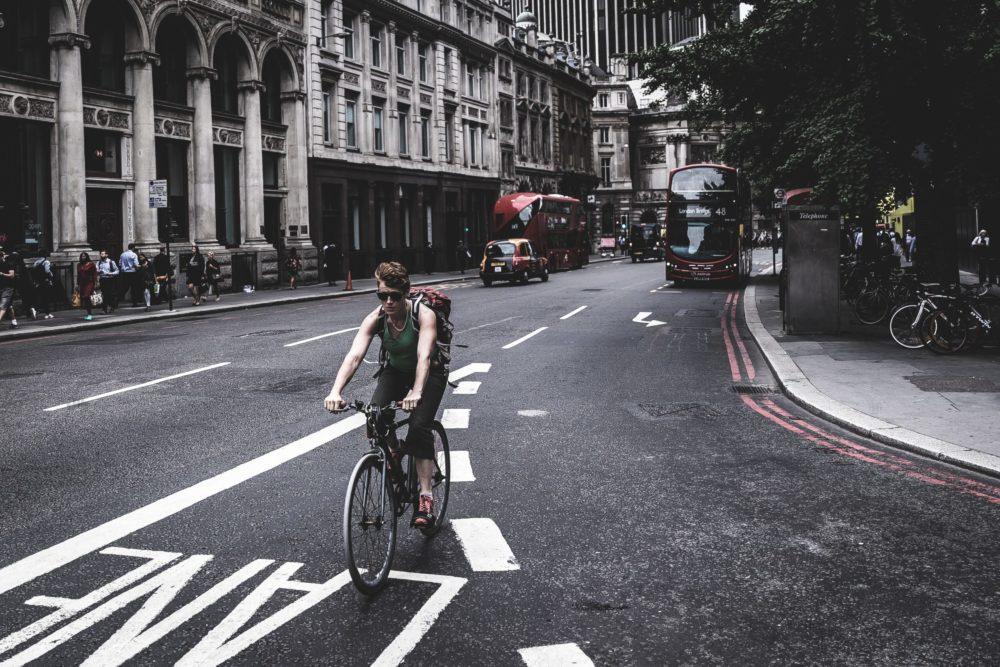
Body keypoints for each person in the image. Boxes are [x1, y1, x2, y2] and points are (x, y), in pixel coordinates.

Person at [324, 261, 446, 528]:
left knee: (419, 427)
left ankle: (425, 497)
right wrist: (335, 391)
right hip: (396, 370)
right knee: (374, 416)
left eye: (395, 296)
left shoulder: (423, 315)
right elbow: (354, 356)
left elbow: (424, 357)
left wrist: (416, 391)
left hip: (430, 373)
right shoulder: (376, 319)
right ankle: (394, 455)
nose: (388, 301)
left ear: (406, 293)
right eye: (382, 295)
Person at [30, 252, 57, 319]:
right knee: (46, 298)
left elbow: (33, 272)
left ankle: (36, 309)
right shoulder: (46, 262)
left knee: (40, 297)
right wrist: (51, 275)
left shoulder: (36, 263)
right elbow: (47, 271)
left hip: (38, 282)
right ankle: (46, 312)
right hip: (45, 282)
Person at [95, 250, 119, 314]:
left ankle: (111, 306)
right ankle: (104, 309)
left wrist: (110, 273)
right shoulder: (99, 262)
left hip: (110, 279)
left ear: (106, 255)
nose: (101, 255)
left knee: (110, 294)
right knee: (104, 294)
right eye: (101, 254)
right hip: (102, 279)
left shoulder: (111, 262)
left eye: (103, 254)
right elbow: (96, 270)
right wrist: (98, 272)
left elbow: (117, 271)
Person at [0, 247, 19, 329]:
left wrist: (2, 274)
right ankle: (14, 322)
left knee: (3, 305)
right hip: (2, 287)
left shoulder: (9, 264)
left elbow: (12, 275)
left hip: (8, 287)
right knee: (8, 305)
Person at [118, 243, 141, 307]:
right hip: (132, 273)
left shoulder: (122, 254)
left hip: (125, 273)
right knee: (134, 288)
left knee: (124, 288)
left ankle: (116, 301)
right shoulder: (134, 255)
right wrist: (140, 266)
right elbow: (136, 265)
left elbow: (120, 264)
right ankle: (135, 303)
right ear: (133, 248)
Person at [77, 252, 98, 321]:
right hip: (82, 283)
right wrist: (77, 284)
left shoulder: (91, 264)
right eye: (82, 256)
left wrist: (96, 282)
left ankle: (89, 314)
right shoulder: (79, 265)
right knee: (85, 298)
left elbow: (95, 273)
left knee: (86, 296)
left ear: (87, 257)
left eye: (84, 256)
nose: (83, 257)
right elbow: (78, 275)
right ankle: (88, 313)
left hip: (89, 282)